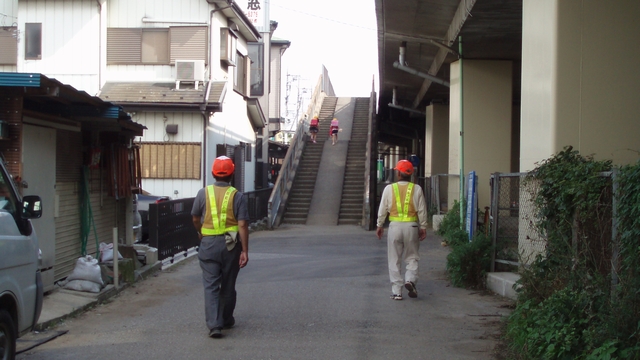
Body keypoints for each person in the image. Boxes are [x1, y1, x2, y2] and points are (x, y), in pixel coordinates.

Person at [192, 156, 249, 338]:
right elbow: (242, 225)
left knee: (210, 285)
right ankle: (226, 318)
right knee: (228, 283)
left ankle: (214, 325)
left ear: (213, 173)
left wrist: (201, 232)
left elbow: (194, 218)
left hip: (208, 244)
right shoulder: (237, 196)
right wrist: (245, 250)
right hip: (231, 244)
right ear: (232, 173)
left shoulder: (203, 193)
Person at [376, 160, 428, 300]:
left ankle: (397, 292)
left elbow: (382, 209)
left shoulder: (389, 189)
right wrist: (423, 226)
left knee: (394, 259)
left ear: (398, 173)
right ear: (411, 174)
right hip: (411, 227)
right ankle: (410, 280)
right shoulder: (417, 189)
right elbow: (422, 209)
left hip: (394, 227)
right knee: (412, 257)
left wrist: (379, 225)